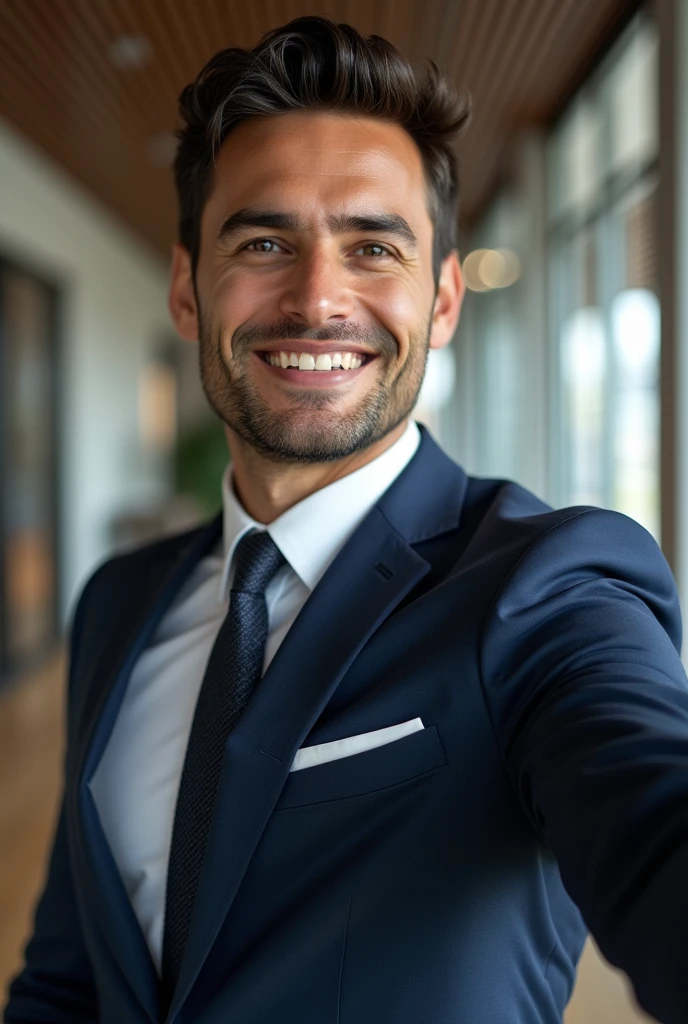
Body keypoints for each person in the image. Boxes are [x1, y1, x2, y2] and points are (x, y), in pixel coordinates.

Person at [5, 15, 688, 1024]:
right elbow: (66, 977)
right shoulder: (118, 603)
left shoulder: (542, 589)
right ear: (188, 286)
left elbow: (650, 811)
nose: (318, 297)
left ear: (443, 300)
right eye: (265, 240)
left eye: (373, 246)